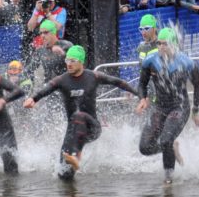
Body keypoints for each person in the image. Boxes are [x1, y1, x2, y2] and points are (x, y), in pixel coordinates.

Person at [23, 44, 139, 180]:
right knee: (63, 174)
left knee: (78, 115)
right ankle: (71, 195)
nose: (69, 64)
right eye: (67, 60)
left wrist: (140, 95)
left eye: (73, 61)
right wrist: (33, 98)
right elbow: (47, 88)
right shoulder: (62, 80)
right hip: (73, 131)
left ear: (81, 62)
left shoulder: (93, 76)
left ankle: (76, 155)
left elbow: (118, 82)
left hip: (92, 128)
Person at [136, 28, 199, 183]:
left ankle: (168, 180)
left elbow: (198, 87)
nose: (161, 47)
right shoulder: (150, 61)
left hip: (179, 107)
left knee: (166, 139)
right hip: (159, 107)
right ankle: (171, 149)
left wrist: (196, 110)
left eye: (165, 44)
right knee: (145, 148)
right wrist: (143, 99)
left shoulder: (187, 63)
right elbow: (142, 83)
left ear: (173, 44)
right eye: (159, 43)